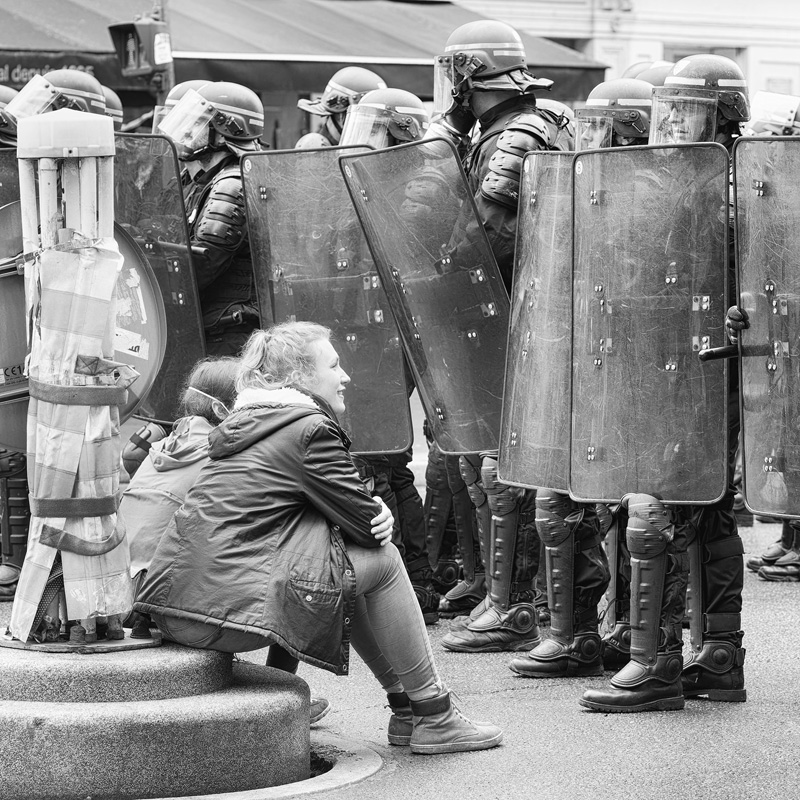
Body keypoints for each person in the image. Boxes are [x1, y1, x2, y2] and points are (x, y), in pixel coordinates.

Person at [135, 321, 503, 754]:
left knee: (346, 568)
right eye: (333, 365)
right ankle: (435, 715)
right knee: (382, 561)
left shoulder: (250, 422)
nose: (344, 376)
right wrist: (377, 511)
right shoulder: (306, 428)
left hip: (179, 609)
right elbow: (366, 526)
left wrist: (367, 512)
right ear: (300, 377)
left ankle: (407, 710)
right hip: (214, 618)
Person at [580, 54, 750, 712]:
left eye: (688, 114)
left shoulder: (734, 187)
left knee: (662, 507)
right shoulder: (691, 179)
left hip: (701, 363)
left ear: (723, 117)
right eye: (669, 113)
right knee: (706, 508)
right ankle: (719, 658)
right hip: (672, 356)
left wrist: (739, 310)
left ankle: (658, 662)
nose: (674, 126)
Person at [427, 19, 573, 653]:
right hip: (509, 313)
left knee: (500, 467)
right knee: (486, 463)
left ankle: (515, 605)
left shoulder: (517, 134)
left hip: (509, 313)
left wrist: (435, 273)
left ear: (467, 74)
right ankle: (505, 597)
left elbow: (487, 233)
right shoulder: (508, 128)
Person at [158, 80, 265, 357]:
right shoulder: (208, 179)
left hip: (228, 339)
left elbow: (199, 266)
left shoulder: (233, 184)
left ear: (223, 130)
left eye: (196, 124)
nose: (185, 133)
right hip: (210, 329)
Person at [297, 66, 387, 146]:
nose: (371, 129)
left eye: (376, 123)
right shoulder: (315, 150)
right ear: (340, 116)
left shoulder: (367, 149)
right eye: (364, 120)